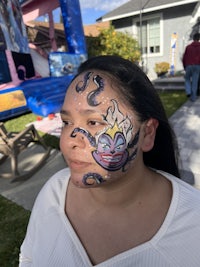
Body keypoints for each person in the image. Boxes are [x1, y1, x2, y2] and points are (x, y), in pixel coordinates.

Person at [19, 55, 200, 266]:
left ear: (148, 133)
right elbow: (29, 258)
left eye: (94, 122)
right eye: (67, 122)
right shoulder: (53, 193)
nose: (69, 142)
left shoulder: (193, 226)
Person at [182, 32, 200, 101]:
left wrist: (184, 66)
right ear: (198, 39)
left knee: (187, 79)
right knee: (195, 81)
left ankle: (188, 92)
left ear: (193, 39)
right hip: (197, 66)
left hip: (188, 65)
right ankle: (193, 97)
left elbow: (184, 57)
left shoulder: (188, 47)